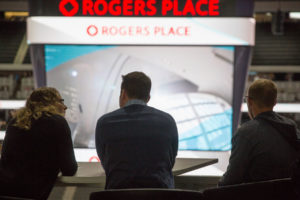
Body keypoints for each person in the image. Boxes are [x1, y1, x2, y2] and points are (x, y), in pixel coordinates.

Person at [95, 71, 178, 189]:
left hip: (117, 195)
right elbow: (170, 161)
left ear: (123, 93)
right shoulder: (167, 121)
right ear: (148, 98)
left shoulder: (104, 123)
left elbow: (106, 163)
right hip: (160, 194)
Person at [0, 87, 77, 200]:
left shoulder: (15, 122)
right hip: (35, 193)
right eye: (61, 101)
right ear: (50, 103)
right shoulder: (57, 122)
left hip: (6, 191)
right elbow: (69, 169)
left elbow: (5, 159)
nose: (65, 107)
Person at [219, 79, 299, 186]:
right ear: (275, 102)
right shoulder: (291, 127)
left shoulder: (245, 133)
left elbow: (232, 179)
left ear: (250, 101)